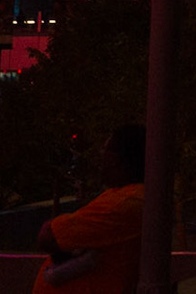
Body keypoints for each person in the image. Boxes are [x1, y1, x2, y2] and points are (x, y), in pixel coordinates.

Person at [33, 124, 145, 294]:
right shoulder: (124, 196)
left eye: (105, 150)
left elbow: (48, 237)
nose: (101, 157)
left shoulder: (124, 204)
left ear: (117, 159)